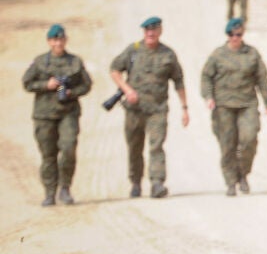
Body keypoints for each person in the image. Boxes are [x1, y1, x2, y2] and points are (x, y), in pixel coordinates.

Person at [109, 16, 189, 199]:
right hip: (134, 109)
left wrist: (184, 108)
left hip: (157, 109)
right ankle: (135, 182)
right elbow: (114, 70)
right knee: (134, 147)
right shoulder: (133, 50)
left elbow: (178, 81)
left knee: (156, 145)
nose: (150, 33)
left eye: (154, 30)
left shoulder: (168, 54)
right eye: (147, 30)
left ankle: (157, 183)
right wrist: (127, 90)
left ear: (160, 31)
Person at [201, 18, 267, 197]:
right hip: (223, 106)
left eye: (238, 34)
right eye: (231, 34)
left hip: (247, 104)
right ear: (227, 35)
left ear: (242, 35)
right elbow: (206, 77)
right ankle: (230, 181)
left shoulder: (252, 54)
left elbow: (262, 78)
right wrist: (208, 97)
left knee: (249, 139)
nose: (235, 38)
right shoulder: (218, 55)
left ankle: (243, 173)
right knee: (227, 144)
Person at [21, 24, 92, 206]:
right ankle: (50, 192)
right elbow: (27, 83)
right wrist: (46, 85)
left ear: (65, 40)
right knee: (48, 154)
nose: (58, 43)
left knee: (68, 148)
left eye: (61, 40)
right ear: (49, 41)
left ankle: (65, 188)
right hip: (44, 115)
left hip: (68, 113)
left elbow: (86, 85)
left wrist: (71, 92)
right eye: (54, 40)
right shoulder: (39, 62)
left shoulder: (75, 62)